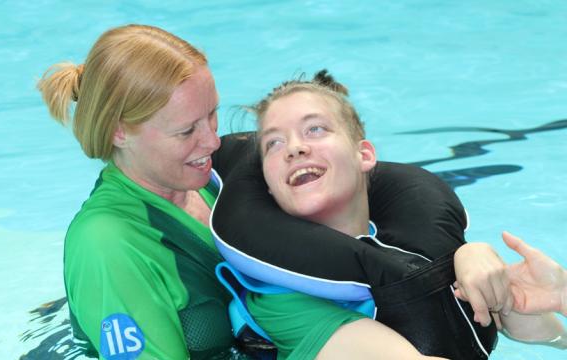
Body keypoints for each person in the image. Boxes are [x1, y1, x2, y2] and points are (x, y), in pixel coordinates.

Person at [38, 24, 488, 359]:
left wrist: (464, 253)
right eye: (186, 131)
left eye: (212, 116)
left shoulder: (218, 184)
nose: (213, 143)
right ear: (119, 132)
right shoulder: (109, 246)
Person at [213, 70, 566, 358]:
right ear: (268, 185)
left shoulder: (422, 250)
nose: (294, 148)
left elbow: (551, 339)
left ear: (364, 155)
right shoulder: (282, 301)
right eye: (274, 143)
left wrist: (535, 297)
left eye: (315, 129)